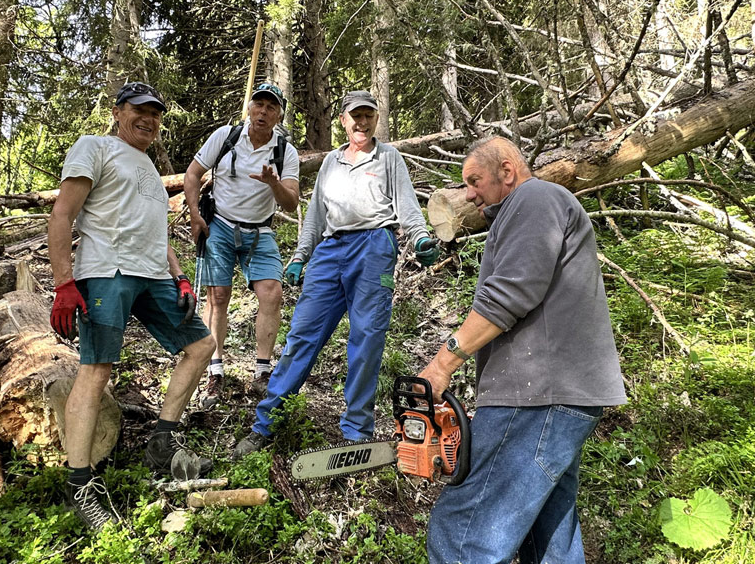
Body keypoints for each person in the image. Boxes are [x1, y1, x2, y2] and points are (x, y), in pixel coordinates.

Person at [418, 136, 627, 564]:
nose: (469, 193)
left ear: (508, 170)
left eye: (475, 180)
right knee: (548, 536)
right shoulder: (530, 209)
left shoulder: (534, 199)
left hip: (537, 396)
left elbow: (508, 296)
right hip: (558, 396)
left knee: (463, 534)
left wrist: (442, 365)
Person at [233, 89, 440, 459]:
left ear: (376, 119)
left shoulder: (388, 157)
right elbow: (315, 215)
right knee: (302, 335)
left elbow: (407, 204)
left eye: (368, 116)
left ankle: (356, 432)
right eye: (354, 116)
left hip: (375, 247)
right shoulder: (330, 161)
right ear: (343, 120)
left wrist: (421, 236)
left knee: (367, 338)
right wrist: (300, 256)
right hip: (330, 251)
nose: (361, 123)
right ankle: (266, 424)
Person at [48, 82, 216, 530]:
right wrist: (64, 283)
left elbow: (157, 235)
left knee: (201, 345)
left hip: (153, 275)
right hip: (107, 271)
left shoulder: (149, 168)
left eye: (155, 113)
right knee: (97, 368)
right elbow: (62, 213)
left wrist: (179, 276)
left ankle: (163, 442)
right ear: (119, 112)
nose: (149, 119)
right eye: (139, 110)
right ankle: (80, 484)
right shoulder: (95, 147)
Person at [183, 83, 300, 407]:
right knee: (217, 296)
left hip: (260, 231)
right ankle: (215, 370)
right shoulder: (226, 137)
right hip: (219, 224)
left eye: (271, 107)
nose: (263, 112)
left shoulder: (284, 151)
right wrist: (195, 214)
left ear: (278, 115)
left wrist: (274, 182)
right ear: (250, 107)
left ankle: (262, 371)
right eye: (259, 105)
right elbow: (193, 174)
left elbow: (290, 202)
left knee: (272, 293)